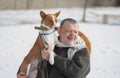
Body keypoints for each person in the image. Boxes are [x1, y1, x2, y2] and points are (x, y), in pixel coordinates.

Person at [17, 18, 90, 78]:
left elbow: (77, 73)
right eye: (68, 31)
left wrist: (55, 57)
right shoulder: (48, 44)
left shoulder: (81, 50)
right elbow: (30, 60)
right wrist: (22, 74)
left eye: (75, 32)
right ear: (59, 31)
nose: (72, 34)